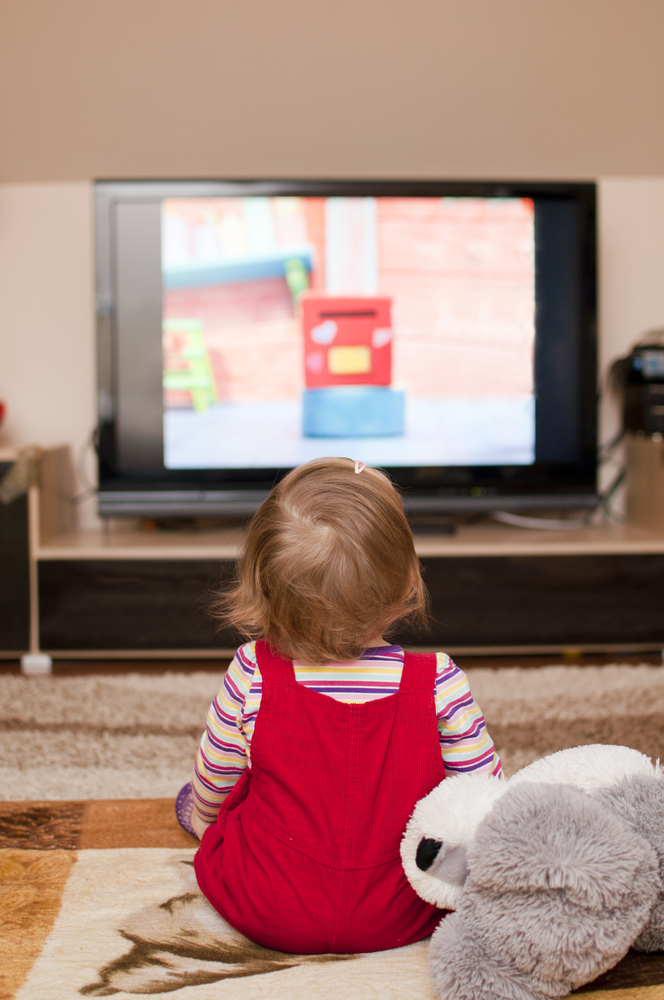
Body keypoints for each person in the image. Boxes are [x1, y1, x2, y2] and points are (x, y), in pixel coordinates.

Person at [176, 457, 502, 955]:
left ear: (261, 584)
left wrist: (203, 820)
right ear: (407, 582)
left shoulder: (253, 671)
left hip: (270, 904)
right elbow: (484, 795)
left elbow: (215, 778)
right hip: (401, 909)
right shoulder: (437, 681)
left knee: (229, 790)